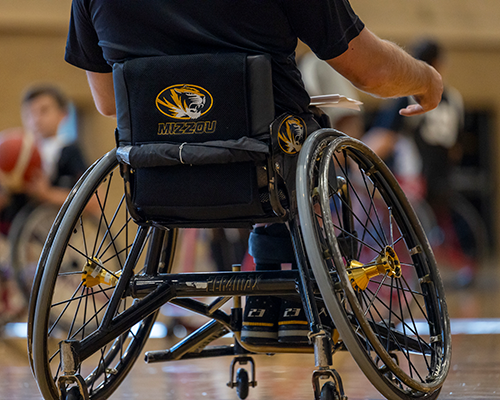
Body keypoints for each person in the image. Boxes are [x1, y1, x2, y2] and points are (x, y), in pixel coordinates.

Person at [64, 0, 443, 345]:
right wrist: (426, 79)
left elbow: (109, 102)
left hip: (158, 175)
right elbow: (372, 70)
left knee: (282, 152)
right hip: (266, 166)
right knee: (299, 147)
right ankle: (290, 292)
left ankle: (265, 298)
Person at [0, 85, 87, 234]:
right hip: (16, 220)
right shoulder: (19, 150)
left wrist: (47, 194)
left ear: (63, 114)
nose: (36, 119)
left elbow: (92, 201)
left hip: (47, 223)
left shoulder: (68, 151)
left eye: (44, 111)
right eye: (29, 114)